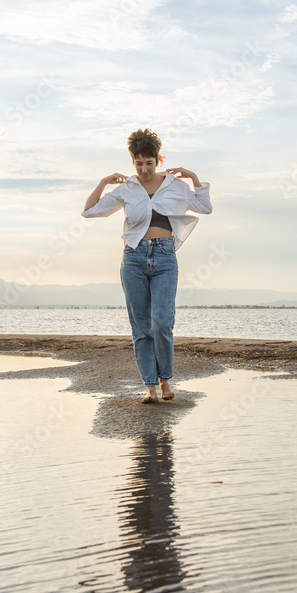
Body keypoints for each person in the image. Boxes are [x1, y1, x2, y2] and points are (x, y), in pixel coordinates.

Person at [82, 128, 212, 403]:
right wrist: (104, 182)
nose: (144, 169)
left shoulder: (175, 186)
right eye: (138, 163)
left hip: (165, 257)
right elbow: (90, 210)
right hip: (133, 258)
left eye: (149, 163)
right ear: (133, 162)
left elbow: (204, 206)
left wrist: (194, 178)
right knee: (141, 326)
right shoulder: (127, 188)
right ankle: (150, 388)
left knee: (162, 323)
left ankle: (166, 380)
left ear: (158, 160)